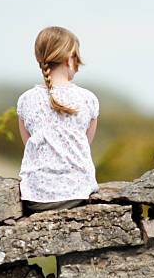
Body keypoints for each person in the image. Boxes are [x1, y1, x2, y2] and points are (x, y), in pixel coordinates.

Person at [16, 26, 99, 212]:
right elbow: (84, 145)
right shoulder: (88, 99)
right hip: (77, 194)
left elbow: (29, 146)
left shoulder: (26, 100)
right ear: (69, 59)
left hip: (35, 197)